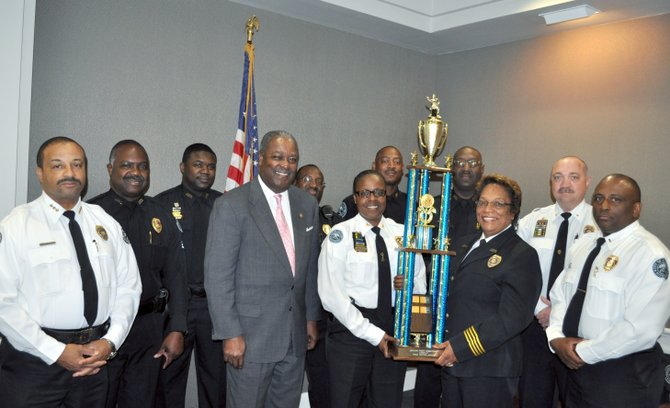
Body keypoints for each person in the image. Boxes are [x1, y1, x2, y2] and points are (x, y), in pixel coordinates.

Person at [0, 136, 141, 406]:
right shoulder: (16, 226)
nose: (70, 173)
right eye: (58, 166)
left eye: (77, 165)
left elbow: (129, 288)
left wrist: (110, 343)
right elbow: (3, 303)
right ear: (40, 173)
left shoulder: (105, 223)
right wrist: (56, 352)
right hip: (34, 365)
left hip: (93, 363)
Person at [204, 130, 321, 408]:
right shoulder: (231, 206)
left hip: (294, 338)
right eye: (278, 157)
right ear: (260, 158)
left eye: (292, 159)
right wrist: (230, 333)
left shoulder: (307, 204)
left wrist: (311, 318)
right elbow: (218, 277)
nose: (285, 165)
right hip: (250, 339)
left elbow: (309, 268)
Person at [547, 174, 670, 407]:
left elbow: (640, 330)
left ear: (636, 209)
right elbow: (560, 295)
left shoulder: (650, 254)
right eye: (598, 198)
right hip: (575, 369)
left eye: (615, 200)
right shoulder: (584, 245)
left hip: (623, 375)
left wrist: (583, 352)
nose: (603, 206)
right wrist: (556, 338)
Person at [89, 140, 189, 408]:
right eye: (127, 165)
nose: (136, 172)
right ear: (110, 168)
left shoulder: (161, 216)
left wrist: (177, 328)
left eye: (143, 166)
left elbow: (176, 277)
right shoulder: (91, 215)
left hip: (149, 331)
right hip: (103, 331)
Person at [318, 169, 426, 408]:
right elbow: (331, 296)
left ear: (386, 196)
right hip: (351, 331)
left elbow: (419, 283)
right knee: (344, 401)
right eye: (365, 193)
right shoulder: (340, 235)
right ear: (355, 198)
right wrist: (374, 335)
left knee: (388, 402)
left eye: (378, 192)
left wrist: (409, 286)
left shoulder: (403, 234)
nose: (373, 199)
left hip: (393, 327)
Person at [434, 173, 542, 407]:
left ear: (513, 212)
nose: (487, 209)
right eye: (482, 202)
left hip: (489, 368)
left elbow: (512, 318)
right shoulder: (462, 244)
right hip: (452, 363)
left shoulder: (521, 254)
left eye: (498, 203)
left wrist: (460, 347)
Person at [517, 156, 598, 407]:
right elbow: (517, 273)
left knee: (576, 399)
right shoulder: (532, 222)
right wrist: (542, 310)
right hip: (534, 329)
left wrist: (559, 312)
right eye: (558, 177)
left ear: (587, 182)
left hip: (578, 331)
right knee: (532, 399)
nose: (565, 183)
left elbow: (598, 279)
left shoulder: (601, 224)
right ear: (550, 183)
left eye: (573, 177)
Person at [413, 145, 485, 407]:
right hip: (437, 296)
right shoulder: (433, 206)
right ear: (452, 168)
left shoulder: (489, 208)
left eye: (472, 162)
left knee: (468, 367)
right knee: (430, 368)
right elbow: (420, 252)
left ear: (482, 169)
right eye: (460, 162)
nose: (466, 168)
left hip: (475, 301)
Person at [155, 143, 225, 408]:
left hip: (212, 307)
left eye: (210, 166)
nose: (205, 171)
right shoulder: (162, 204)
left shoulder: (224, 205)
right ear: (183, 168)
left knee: (216, 382)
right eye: (198, 164)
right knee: (168, 380)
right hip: (175, 308)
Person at [294, 163, 341, 408]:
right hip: (287, 313)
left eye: (318, 181)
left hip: (321, 316)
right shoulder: (282, 217)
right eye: (307, 179)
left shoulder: (330, 221)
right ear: (294, 182)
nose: (313, 185)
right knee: (283, 381)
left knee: (322, 381)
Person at [339, 146, 406, 223]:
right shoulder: (353, 202)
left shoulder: (410, 205)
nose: (391, 166)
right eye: (385, 161)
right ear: (374, 166)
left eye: (397, 162)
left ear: (402, 168)